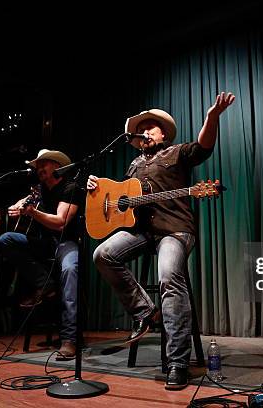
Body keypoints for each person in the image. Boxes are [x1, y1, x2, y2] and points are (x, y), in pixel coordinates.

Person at [89, 92, 235, 390]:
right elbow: (119, 196)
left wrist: (212, 117)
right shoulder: (133, 166)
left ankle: (178, 363)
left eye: (152, 126)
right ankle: (146, 311)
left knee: (169, 276)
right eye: (142, 127)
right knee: (102, 254)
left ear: (163, 133)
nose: (146, 130)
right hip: (141, 231)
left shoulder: (177, 152)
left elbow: (204, 147)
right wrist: (96, 188)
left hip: (175, 229)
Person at [0, 149, 84, 361]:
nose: (39, 169)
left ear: (56, 165)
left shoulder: (71, 187)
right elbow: (21, 204)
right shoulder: (38, 190)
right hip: (43, 244)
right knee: (6, 240)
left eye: (43, 164)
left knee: (71, 269)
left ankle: (69, 339)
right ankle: (46, 283)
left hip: (65, 242)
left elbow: (60, 222)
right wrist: (17, 207)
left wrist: (33, 213)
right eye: (37, 166)